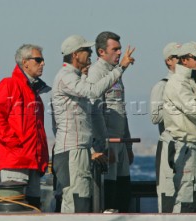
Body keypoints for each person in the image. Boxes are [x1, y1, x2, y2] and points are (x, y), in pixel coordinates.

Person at [51, 34, 125, 213]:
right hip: (72, 151)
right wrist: (121, 68)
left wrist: (91, 149)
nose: (90, 52)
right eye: (86, 50)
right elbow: (92, 91)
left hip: (79, 149)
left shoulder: (74, 77)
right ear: (75, 54)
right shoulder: (65, 76)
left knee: (81, 201)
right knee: (77, 203)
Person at [0, 44, 51, 209]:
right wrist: (16, 146)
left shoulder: (34, 93)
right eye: (38, 59)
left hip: (33, 164)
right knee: (14, 211)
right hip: (15, 162)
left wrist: (42, 158)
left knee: (34, 208)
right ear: (25, 62)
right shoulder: (8, 85)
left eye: (42, 60)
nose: (43, 63)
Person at [162, 41, 196, 213]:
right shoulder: (178, 83)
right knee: (186, 199)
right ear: (184, 60)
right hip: (185, 144)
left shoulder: (193, 80)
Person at [87, 31, 135, 212]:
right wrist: (104, 146)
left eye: (119, 49)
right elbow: (94, 110)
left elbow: (120, 109)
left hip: (120, 142)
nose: (119, 53)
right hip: (108, 143)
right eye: (114, 49)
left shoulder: (115, 74)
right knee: (110, 195)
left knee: (124, 191)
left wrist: (128, 146)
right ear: (101, 52)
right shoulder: (96, 73)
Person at [149, 42, 181, 213]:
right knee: (168, 192)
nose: (183, 60)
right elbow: (155, 117)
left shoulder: (191, 86)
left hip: (188, 145)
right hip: (169, 144)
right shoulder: (161, 86)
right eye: (178, 57)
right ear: (169, 61)